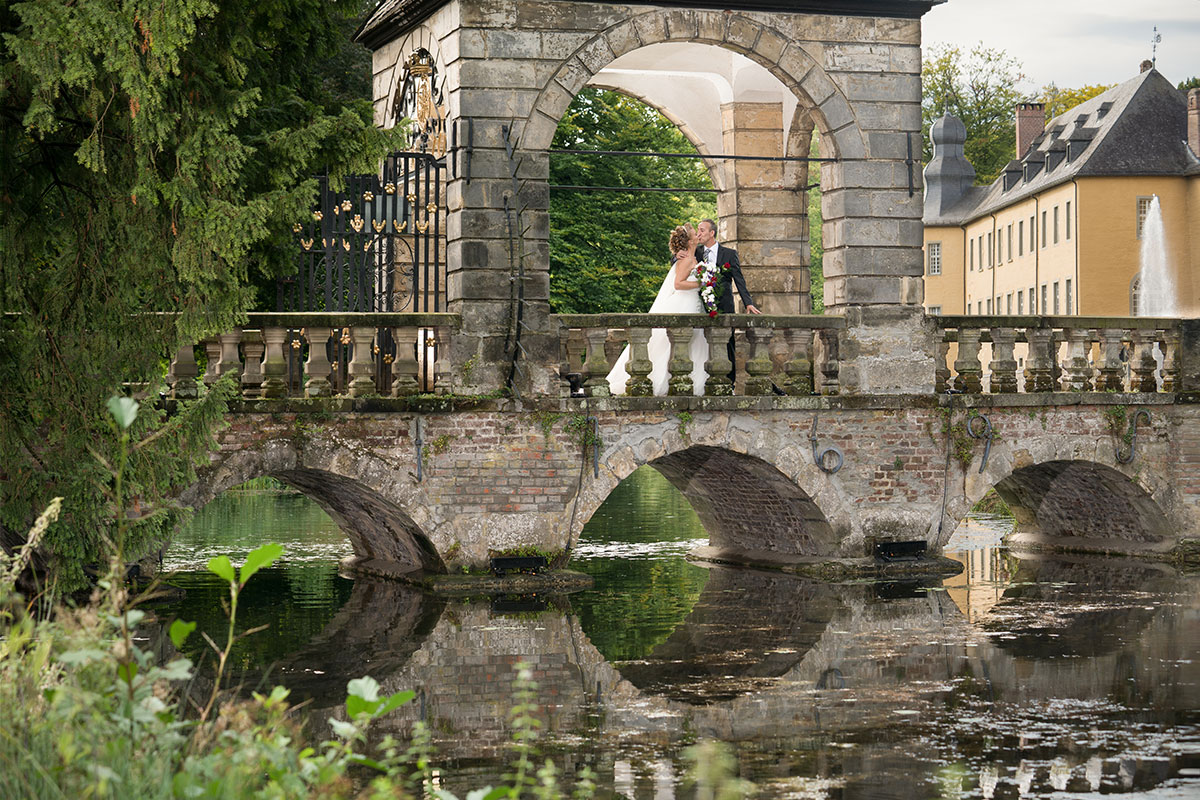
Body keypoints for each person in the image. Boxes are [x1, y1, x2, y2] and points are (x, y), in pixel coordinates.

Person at [607, 225, 709, 396]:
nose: (698, 235)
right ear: (690, 241)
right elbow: (678, 284)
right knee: (671, 342)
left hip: (694, 302)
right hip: (684, 302)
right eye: (694, 234)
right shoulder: (685, 259)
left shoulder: (695, 256)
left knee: (695, 341)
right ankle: (666, 379)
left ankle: (694, 380)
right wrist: (700, 283)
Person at [694, 218, 760, 384]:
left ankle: (730, 384)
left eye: (702, 230)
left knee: (728, 344)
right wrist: (676, 256)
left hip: (724, 305)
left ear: (712, 233)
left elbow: (739, 279)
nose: (698, 234)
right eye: (697, 230)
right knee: (700, 343)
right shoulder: (696, 252)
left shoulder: (729, 254)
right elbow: (679, 263)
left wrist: (748, 303)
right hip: (700, 304)